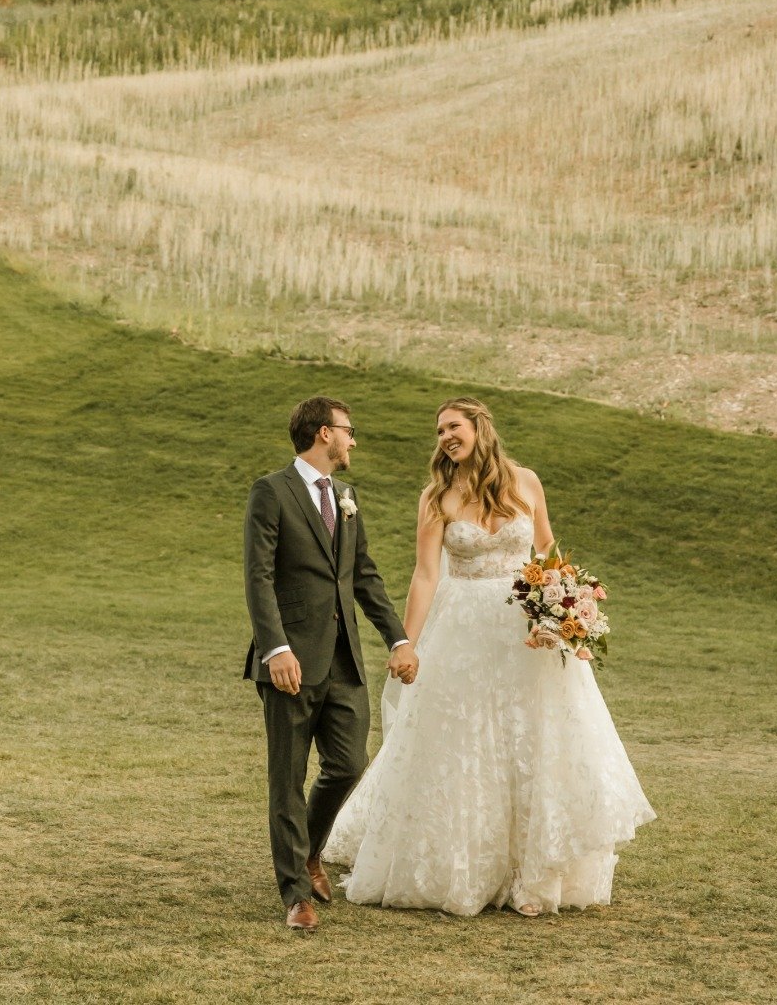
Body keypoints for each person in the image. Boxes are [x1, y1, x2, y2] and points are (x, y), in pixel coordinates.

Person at [324, 396, 655, 915]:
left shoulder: (525, 481)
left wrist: (568, 613)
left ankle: (536, 874)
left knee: (536, 737)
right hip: (463, 632)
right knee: (466, 740)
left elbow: (545, 551)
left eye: (452, 426)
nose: (444, 437)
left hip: (527, 632)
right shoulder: (436, 496)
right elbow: (426, 574)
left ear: (479, 427)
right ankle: (466, 866)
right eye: (438, 432)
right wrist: (405, 640)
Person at [242, 394, 420, 932]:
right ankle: (295, 894)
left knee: (347, 764)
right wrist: (276, 649)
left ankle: (310, 851)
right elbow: (259, 577)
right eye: (348, 430)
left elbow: (363, 575)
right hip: (290, 661)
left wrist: (399, 640)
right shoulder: (270, 492)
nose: (353, 440)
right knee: (287, 778)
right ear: (324, 433)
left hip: (343, 662)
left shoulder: (346, 496)